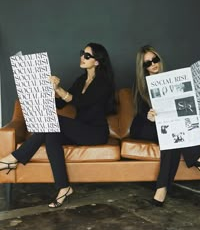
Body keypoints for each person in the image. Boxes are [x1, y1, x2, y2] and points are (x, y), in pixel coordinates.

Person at [0, 43, 116, 208]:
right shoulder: (81, 80)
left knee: (54, 122)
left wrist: (59, 88)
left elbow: (80, 102)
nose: (83, 57)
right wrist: (41, 91)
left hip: (94, 132)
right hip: (79, 129)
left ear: (97, 62)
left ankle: (13, 159)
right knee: (51, 134)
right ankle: (64, 187)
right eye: (83, 53)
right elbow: (61, 103)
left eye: (88, 56)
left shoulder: (104, 82)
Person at [130, 45, 200, 206]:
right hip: (145, 127)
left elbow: (185, 109)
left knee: (170, 139)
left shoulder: (171, 80)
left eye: (155, 60)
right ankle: (197, 156)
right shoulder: (141, 86)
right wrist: (149, 116)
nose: (153, 64)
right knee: (169, 132)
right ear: (142, 67)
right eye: (147, 63)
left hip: (166, 128)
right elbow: (141, 113)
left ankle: (162, 189)